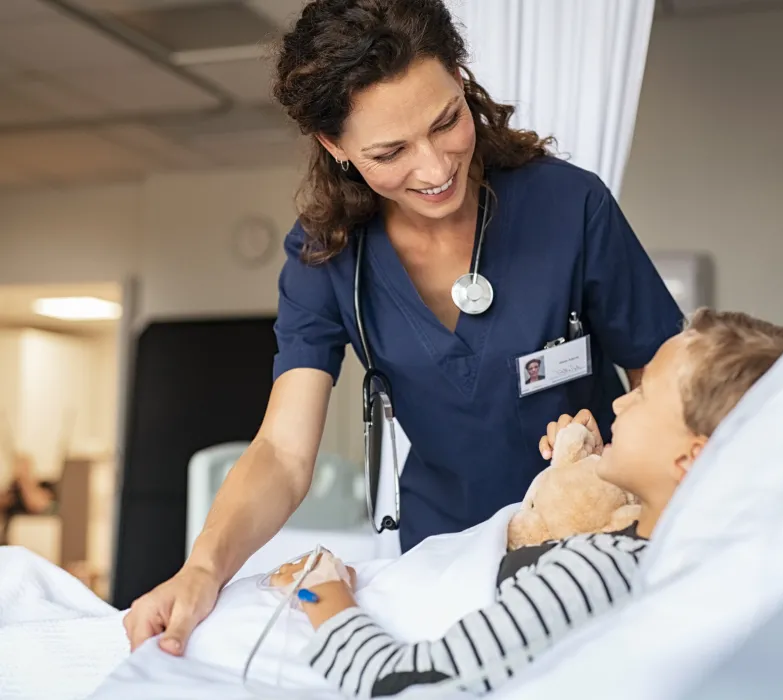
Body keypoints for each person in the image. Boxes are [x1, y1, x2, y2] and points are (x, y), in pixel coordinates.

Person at [123, 0, 683, 654]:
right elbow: (282, 452)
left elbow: (667, 378)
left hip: (592, 541)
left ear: (459, 74)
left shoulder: (568, 206)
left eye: (446, 120)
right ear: (336, 147)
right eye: (390, 151)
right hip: (443, 559)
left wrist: (674, 519)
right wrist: (204, 568)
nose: (435, 167)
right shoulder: (326, 257)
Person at [291, 309, 783, 698]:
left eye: (643, 399)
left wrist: (323, 593)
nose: (620, 401)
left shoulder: (603, 570)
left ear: (691, 460)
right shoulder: (641, 555)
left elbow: (410, 685)